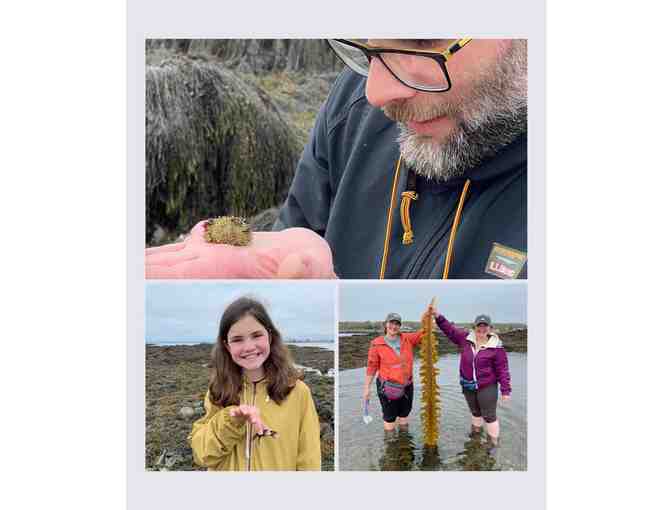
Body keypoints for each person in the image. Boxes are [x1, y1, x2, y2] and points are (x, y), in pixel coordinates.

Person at [274, 39, 527, 279]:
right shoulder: (352, 106)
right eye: (367, 45)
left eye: (423, 40)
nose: (375, 93)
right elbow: (293, 237)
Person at [188, 297, 321, 470]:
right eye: (237, 339)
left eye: (256, 335)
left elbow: (309, 460)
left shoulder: (298, 392)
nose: (249, 346)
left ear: (270, 337)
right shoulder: (218, 390)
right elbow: (202, 455)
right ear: (227, 346)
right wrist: (230, 422)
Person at [431, 308, 511, 447]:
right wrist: (438, 316)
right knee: (475, 413)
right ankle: (475, 438)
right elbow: (449, 330)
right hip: (468, 385)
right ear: (474, 328)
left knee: (489, 416)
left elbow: (502, 370)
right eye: (478, 327)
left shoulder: (497, 347)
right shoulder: (465, 339)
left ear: (490, 329)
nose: (481, 330)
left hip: (486, 386)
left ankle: (493, 444)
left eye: (484, 327)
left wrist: (505, 390)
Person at [363, 311, 428, 431]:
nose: (394, 326)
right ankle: (391, 445)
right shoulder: (377, 344)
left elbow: (424, 333)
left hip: (407, 386)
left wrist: (427, 317)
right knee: (390, 418)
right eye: (391, 323)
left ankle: (404, 443)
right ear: (385, 324)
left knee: (404, 415)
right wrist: (367, 388)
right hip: (388, 388)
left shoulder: (407, 339)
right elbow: (372, 367)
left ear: (400, 326)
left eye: (397, 324)